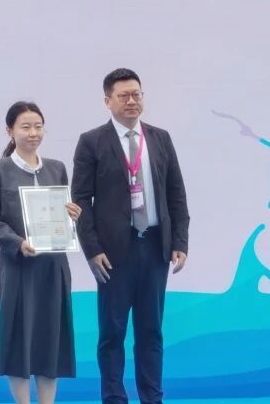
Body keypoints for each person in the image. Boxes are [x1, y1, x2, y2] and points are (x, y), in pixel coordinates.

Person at [71, 68, 189, 404]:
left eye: (137, 94)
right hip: (112, 254)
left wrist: (180, 241)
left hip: (155, 247)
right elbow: (81, 200)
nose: (131, 101)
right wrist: (92, 249)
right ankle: (114, 397)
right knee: (113, 333)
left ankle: (152, 397)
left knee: (151, 332)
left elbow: (176, 192)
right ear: (107, 101)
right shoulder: (92, 141)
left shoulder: (160, 138)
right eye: (123, 95)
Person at [0, 101, 81, 404]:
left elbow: (63, 213)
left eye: (38, 126)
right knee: (18, 339)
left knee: (52, 339)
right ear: (10, 130)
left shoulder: (56, 168)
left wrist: (73, 215)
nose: (33, 132)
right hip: (19, 266)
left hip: (53, 267)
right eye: (26, 126)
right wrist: (16, 242)